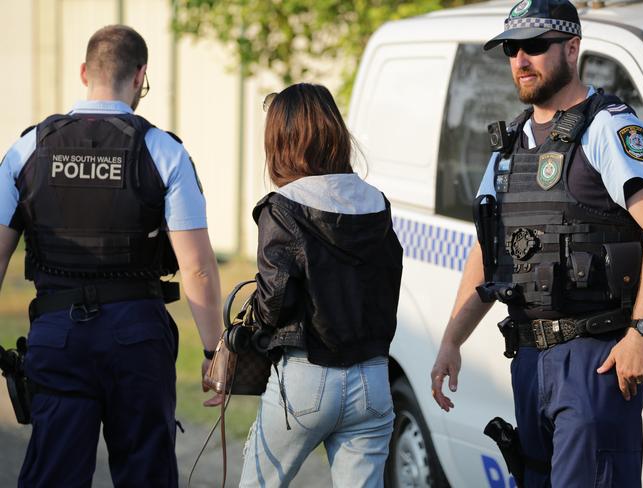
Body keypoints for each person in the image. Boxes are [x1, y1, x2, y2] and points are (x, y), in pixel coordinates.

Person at [430, 0, 643, 486]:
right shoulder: (509, 147)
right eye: (511, 49)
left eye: (534, 46)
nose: (520, 60)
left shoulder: (608, 127)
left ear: (572, 48)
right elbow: (487, 254)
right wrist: (452, 339)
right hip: (530, 358)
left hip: (596, 359)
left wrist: (642, 333)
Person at [0, 25, 223, 487]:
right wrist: (212, 350)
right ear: (141, 76)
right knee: (146, 474)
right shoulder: (164, 151)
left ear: (84, 72)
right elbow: (196, 265)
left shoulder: (27, 149)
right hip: (136, 339)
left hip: (58, 338)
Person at [238, 83, 403, 487]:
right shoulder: (377, 202)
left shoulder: (282, 206)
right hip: (373, 378)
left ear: (281, 139)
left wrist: (246, 329)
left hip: (306, 377)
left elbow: (273, 299)